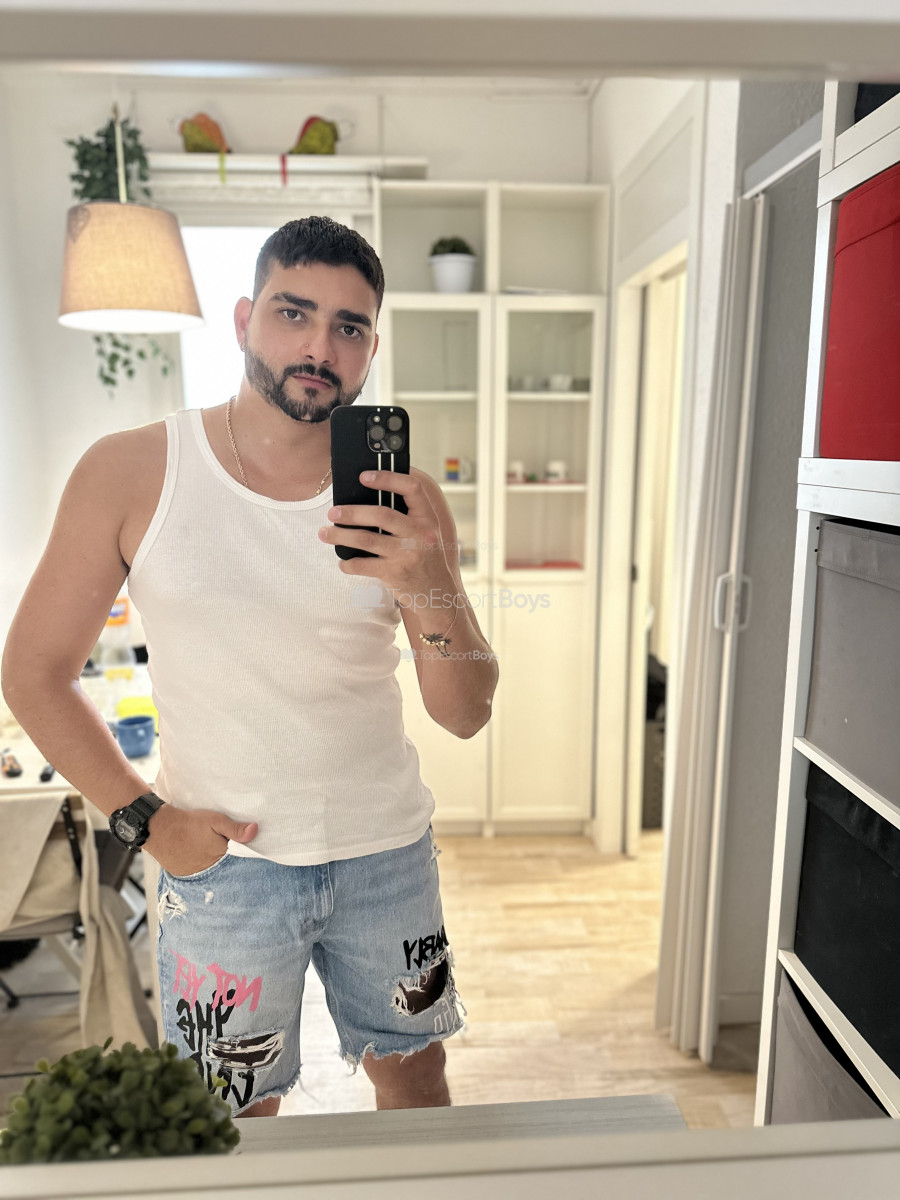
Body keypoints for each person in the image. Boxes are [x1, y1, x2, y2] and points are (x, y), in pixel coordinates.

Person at [1, 216, 499, 1117]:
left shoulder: (406, 499)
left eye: (349, 326)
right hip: (222, 868)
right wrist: (145, 820)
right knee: (229, 1113)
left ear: (371, 347)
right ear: (243, 319)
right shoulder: (132, 472)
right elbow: (34, 671)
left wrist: (430, 581)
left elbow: (465, 710)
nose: (319, 347)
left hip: (386, 856)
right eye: (292, 313)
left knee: (416, 1085)